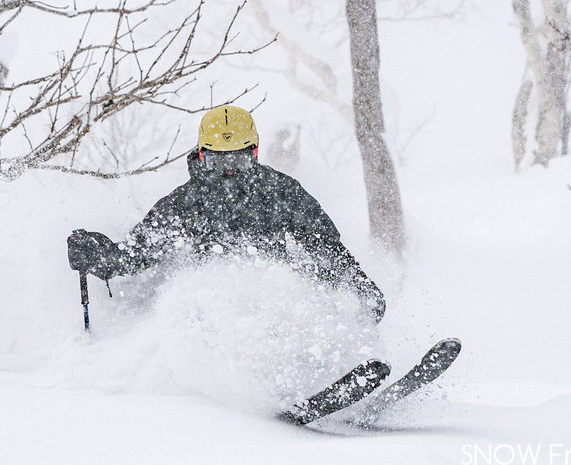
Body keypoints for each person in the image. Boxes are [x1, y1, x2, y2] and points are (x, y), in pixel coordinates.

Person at [66, 105, 386, 322]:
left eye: (239, 161)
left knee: (312, 282)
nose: (229, 172)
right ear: (202, 155)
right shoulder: (184, 204)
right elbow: (133, 257)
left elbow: (323, 245)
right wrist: (97, 255)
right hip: (216, 307)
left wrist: (359, 285)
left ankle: (338, 364)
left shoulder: (282, 191)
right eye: (219, 162)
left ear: (255, 152)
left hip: (278, 295)